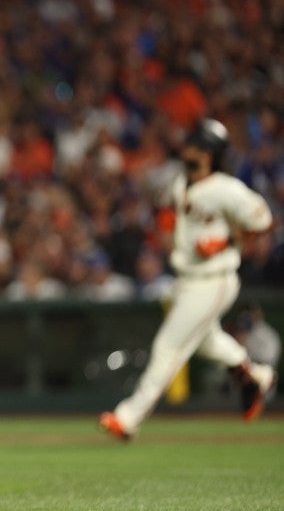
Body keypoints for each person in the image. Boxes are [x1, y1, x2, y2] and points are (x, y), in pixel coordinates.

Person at [100, 118, 277, 441]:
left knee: (168, 346)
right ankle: (254, 376)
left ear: (209, 152)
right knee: (207, 341)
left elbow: (263, 220)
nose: (187, 148)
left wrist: (227, 241)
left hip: (214, 278)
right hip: (187, 278)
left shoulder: (227, 189)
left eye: (195, 144)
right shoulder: (183, 182)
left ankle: (128, 416)